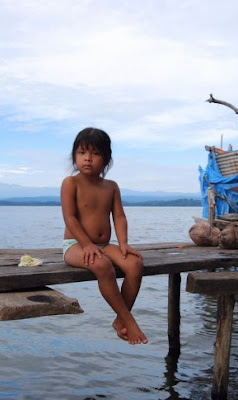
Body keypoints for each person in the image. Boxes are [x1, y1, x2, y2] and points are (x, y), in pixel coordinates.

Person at [61, 127, 148, 345]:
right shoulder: (71, 183)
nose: (88, 158)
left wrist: (124, 244)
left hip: (104, 244)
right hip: (75, 245)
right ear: (74, 157)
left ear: (106, 159)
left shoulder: (111, 186)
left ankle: (120, 320)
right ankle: (129, 320)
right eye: (82, 153)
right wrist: (87, 244)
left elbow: (119, 216)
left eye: (95, 154)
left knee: (135, 263)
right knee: (102, 265)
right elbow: (70, 218)